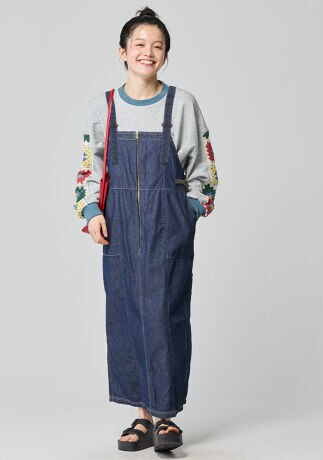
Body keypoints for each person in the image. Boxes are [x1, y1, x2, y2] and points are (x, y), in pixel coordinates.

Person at [73, 6, 219, 452]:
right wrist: (91, 212)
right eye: (139, 44)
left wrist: (187, 213)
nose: (148, 52)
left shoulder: (182, 104)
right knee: (127, 316)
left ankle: (167, 416)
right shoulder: (103, 107)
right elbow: (89, 169)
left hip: (167, 228)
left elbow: (205, 171)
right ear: (122, 51)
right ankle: (141, 416)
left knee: (166, 316)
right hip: (118, 228)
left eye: (157, 46)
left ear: (166, 55)